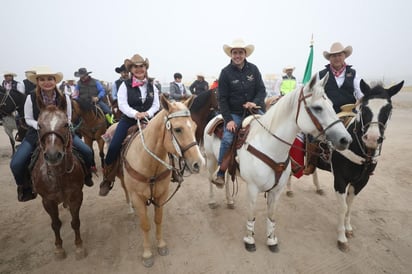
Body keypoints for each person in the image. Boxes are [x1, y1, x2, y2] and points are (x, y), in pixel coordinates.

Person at [9, 67, 95, 202]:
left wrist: (66, 126)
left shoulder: (64, 97)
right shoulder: (30, 98)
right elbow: (28, 118)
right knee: (16, 163)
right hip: (38, 133)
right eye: (42, 79)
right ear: (37, 82)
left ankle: (87, 175)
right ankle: (25, 187)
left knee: (87, 151)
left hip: (61, 132)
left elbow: (68, 116)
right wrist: (39, 125)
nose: (46, 82)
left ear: (55, 81)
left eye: (50, 79)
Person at [99, 54, 160, 196]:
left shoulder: (153, 86)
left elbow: (156, 104)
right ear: (131, 69)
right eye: (135, 67)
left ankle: (174, 171)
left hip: (148, 120)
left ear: (145, 68)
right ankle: (108, 178)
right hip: (129, 120)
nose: (139, 69)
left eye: (141, 66)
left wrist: (147, 114)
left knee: (167, 140)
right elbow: (122, 104)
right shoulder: (124, 85)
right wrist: (135, 114)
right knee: (114, 146)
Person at [213, 38, 266, 187]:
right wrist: (229, 120)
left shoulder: (254, 69)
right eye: (235, 52)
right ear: (231, 54)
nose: (237, 55)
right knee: (228, 138)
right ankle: (221, 171)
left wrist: (254, 102)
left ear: (245, 54)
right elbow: (222, 99)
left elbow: (261, 90)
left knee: (271, 128)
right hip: (235, 113)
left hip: (254, 110)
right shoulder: (225, 73)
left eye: (240, 52)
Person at [304, 41, 363, 174]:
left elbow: (361, 94)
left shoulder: (353, 74)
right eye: (333, 55)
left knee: (363, 131)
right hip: (327, 114)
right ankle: (311, 162)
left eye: (339, 55)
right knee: (310, 133)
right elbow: (312, 92)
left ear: (344, 56)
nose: (337, 58)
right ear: (329, 58)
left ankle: (367, 161)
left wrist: (359, 102)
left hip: (349, 114)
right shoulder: (321, 74)